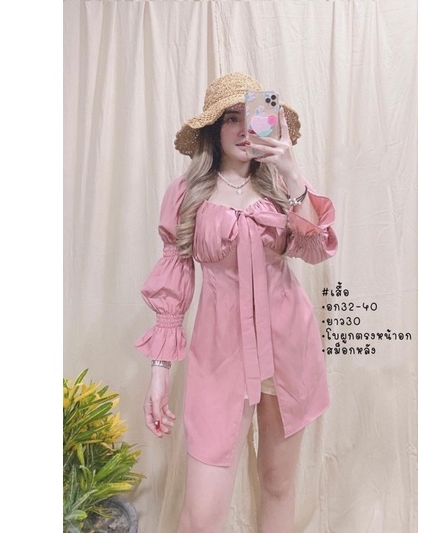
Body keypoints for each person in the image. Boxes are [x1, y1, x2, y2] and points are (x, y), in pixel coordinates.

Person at [135, 72, 338, 533]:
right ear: (213, 129)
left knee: (277, 485)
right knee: (201, 515)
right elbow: (174, 280)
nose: (245, 129)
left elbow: (314, 249)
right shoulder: (188, 194)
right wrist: (159, 371)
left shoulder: (282, 188)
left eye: (254, 117)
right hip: (220, 356)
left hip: (288, 349)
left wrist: (292, 172)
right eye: (231, 118)